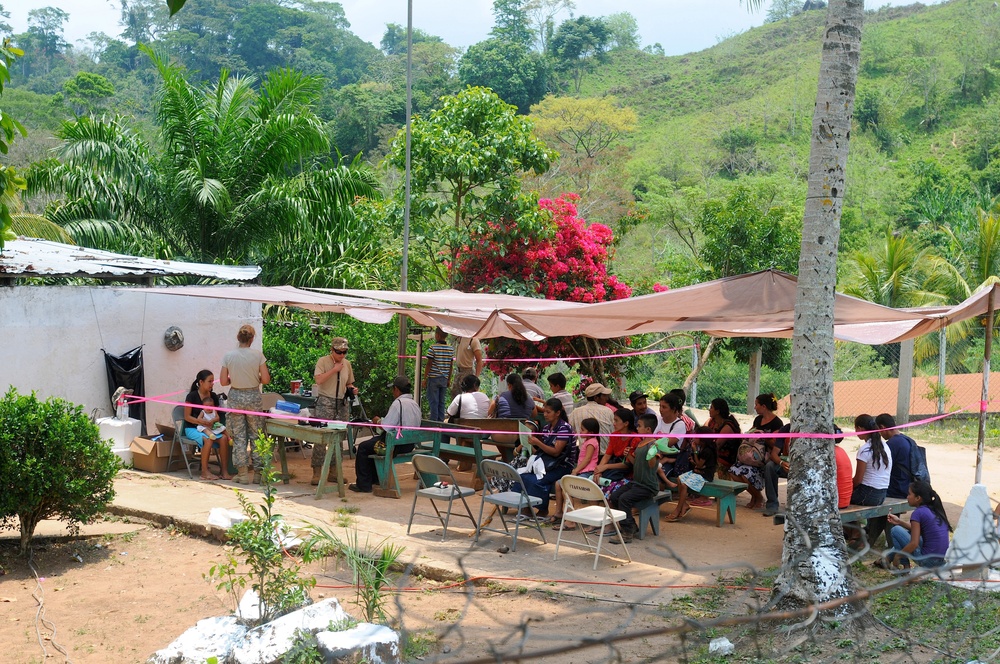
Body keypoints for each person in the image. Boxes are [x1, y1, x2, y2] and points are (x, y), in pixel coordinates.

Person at [349, 376, 422, 494]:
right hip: (409, 443)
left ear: (397, 389)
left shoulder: (397, 403)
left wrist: (377, 421)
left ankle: (364, 485)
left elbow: (386, 427)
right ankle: (375, 479)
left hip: (396, 445)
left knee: (363, 447)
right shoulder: (414, 404)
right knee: (373, 443)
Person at [220, 324, 270, 485]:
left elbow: (222, 381)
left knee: (239, 436)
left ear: (238, 338)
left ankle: (242, 474)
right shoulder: (258, 355)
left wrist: (232, 379)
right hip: (253, 396)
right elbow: (266, 379)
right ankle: (258, 473)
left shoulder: (229, 356)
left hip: (235, 396)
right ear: (252, 339)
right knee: (256, 434)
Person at [607, 413, 663, 544]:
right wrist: (629, 456)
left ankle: (627, 533)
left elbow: (651, 466)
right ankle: (630, 525)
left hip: (648, 486)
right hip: (637, 483)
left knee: (624, 499)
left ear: (648, 429)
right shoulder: (641, 443)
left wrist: (653, 455)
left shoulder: (653, 445)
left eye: (639, 426)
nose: (637, 428)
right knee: (615, 496)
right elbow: (635, 463)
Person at [520, 398, 577, 517]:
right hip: (547, 463)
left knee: (538, 480)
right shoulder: (546, 428)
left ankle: (543, 509)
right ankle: (528, 507)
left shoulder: (564, 428)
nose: (545, 414)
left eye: (548, 412)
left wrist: (538, 443)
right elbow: (544, 451)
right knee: (524, 476)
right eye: (544, 411)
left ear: (557, 413)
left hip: (562, 465)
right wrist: (529, 445)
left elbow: (556, 452)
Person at [311, 336, 355, 486]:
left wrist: (352, 389)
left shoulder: (347, 364)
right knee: (321, 438)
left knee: (339, 438)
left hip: (341, 403)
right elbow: (318, 380)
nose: (341, 355)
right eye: (338, 352)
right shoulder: (323, 361)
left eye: (344, 352)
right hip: (325, 401)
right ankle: (317, 472)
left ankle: (335, 472)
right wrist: (334, 369)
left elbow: (349, 382)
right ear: (332, 350)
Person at [728, 393, 783, 511]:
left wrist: (764, 437)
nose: (755, 407)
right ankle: (755, 496)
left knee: (744, 472)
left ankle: (758, 498)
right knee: (734, 470)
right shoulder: (758, 419)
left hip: (764, 457)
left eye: (756, 404)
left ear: (763, 406)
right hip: (751, 455)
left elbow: (776, 444)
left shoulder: (777, 423)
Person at [882, 480, 952, 570]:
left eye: (909, 494)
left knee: (895, 530)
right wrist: (899, 522)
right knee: (907, 532)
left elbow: (914, 544)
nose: (907, 497)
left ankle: (905, 565)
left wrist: (898, 556)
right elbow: (918, 530)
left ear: (918, 498)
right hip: (940, 561)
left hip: (927, 562)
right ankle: (889, 560)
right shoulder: (934, 509)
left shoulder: (918, 513)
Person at [850, 413, 893, 547]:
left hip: (868, 494)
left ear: (861, 429)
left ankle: (854, 532)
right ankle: (857, 532)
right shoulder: (885, 447)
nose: (855, 432)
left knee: (839, 499)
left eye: (856, 429)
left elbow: (857, 480)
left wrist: (845, 487)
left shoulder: (864, 450)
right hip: (881, 494)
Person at [549, 417, 601, 525]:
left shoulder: (591, 442)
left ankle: (571, 519)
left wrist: (576, 470)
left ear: (590, 432)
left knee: (566, 488)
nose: (580, 431)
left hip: (587, 472)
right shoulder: (588, 441)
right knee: (559, 484)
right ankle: (559, 512)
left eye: (583, 429)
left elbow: (587, 459)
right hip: (582, 471)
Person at [183, 369, 232, 481]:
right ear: (201, 382)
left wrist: (213, 421)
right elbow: (187, 417)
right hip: (193, 428)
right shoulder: (191, 396)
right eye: (210, 381)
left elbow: (217, 415)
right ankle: (204, 472)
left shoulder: (213, 397)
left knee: (224, 438)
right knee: (208, 439)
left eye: (213, 381)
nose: (212, 384)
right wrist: (201, 422)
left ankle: (224, 471)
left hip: (210, 428)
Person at [666, 425, 719, 522]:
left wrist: (694, 451)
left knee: (684, 485)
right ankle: (685, 505)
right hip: (698, 471)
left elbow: (699, 464)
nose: (694, 438)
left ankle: (678, 509)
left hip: (704, 475)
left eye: (696, 436)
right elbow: (699, 464)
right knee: (679, 479)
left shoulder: (708, 450)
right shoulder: (702, 447)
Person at [594, 408, 642, 498]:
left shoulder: (635, 439)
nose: (614, 423)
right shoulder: (614, 435)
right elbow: (607, 455)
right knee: (596, 486)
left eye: (616, 420)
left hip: (628, 475)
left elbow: (627, 464)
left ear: (626, 423)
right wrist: (599, 471)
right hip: (615, 471)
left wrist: (606, 466)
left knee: (609, 493)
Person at [569, 383, 616, 454]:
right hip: (605, 456)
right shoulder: (608, 411)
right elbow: (613, 434)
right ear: (596, 398)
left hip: (584, 456)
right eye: (604, 395)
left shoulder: (575, 412)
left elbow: (571, 436)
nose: (607, 398)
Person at [875, 413, 913, 499]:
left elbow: (880, 469)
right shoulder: (907, 440)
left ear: (882, 428)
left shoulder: (891, 445)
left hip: (897, 489)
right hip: (908, 486)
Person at [423, 327, 454, 422]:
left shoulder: (433, 348)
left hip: (433, 378)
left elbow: (429, 363)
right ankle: (441, 423)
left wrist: (425, 378)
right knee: (441, 402)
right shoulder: (450, 349)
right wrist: (449, 379)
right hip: (444, 379)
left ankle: (434, 423)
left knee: (433, 402)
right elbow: (450, 366)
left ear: (438, 335)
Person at [705, 397, 741, 478]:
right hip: (714, 453)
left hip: (725, 457)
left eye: (711, 407)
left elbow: (717, 445)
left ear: (717, 411)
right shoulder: (712, 421)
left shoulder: (728, 426)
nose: (709, 410)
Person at [654, 393, 687, 478]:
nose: (660, 409)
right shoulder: (658, 419)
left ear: (673, 409)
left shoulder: (679, 425)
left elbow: (666, 444)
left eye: (664, 407)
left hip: (670, 460)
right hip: (656, 456)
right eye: (660, 406)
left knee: (658, 477)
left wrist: (653, 442)